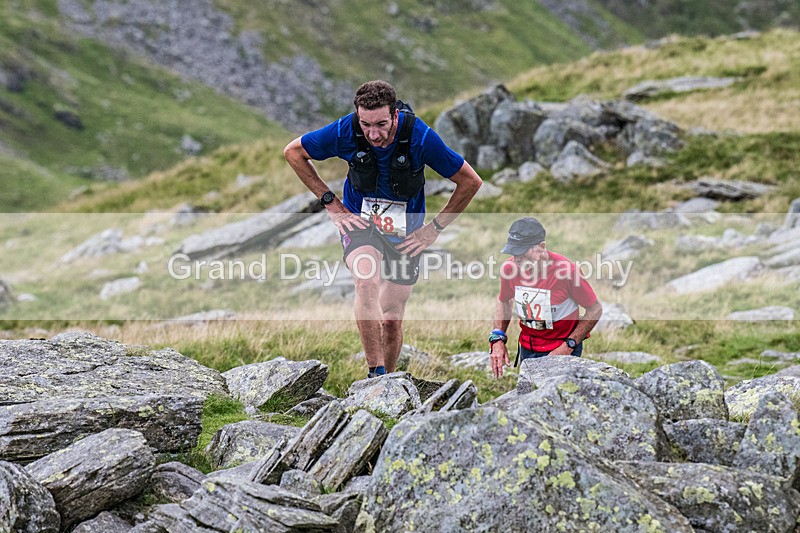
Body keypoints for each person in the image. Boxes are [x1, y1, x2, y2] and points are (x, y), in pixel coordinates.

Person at [284, 80, 482, 378]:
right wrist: (332, 204)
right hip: (361, 223)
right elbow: (293, 152)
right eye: (366, 124)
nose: (374, 134)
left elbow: (470, 181)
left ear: (395, 115)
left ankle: (388, 382)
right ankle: (374, 374)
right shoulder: (345, 130)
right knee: (366, 281)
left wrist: (434, 228)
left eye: (381, 124)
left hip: (407, 233)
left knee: (391, 320)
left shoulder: (420, 137)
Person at [489, 217, 603, 378]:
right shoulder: (510, 268)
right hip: (527, 349)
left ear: (541, 247)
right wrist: (497, 338)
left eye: (521, 252)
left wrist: (568, 346)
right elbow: (504, 300)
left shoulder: (567, 272)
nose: (516, 259)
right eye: (513, 252)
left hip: (563, 350)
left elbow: (595, 309)